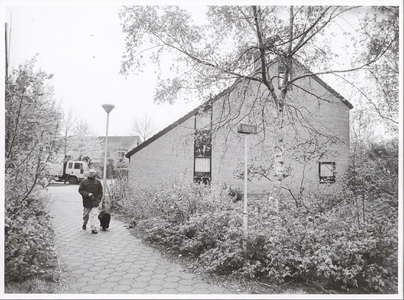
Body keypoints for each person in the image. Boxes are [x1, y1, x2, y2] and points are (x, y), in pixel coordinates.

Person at [79, 169, 103, 234]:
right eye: (90, 172)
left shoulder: (98, 182)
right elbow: (80, 190)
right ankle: (84, 223)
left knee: (94, 215)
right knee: (85, 215)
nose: (91, 173)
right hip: (87, 201)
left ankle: (93, 228)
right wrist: (87, 194)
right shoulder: (84, 181)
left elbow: (100, 192)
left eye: (92, 173)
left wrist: (98, 199)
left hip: (95, 202)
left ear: (95, 174)